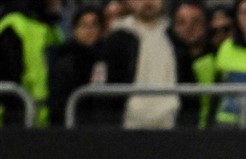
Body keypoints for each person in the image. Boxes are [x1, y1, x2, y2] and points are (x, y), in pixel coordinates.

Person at [92, 0, 198, 128]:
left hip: (171, 128)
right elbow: (102, 92)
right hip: (127, 128)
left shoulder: (176, 41)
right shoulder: (115, 41)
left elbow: (189, 91)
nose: (148, 2)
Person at [0, 0, 64, 127]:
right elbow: (9, 79)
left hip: (46, 121)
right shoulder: (14, 26)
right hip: (17, 122)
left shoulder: (52, 29)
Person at [47, 4, 102, 127]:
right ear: (74, 30)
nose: (89, 30)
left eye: (94, 25)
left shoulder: (105, 59)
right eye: (84, 25)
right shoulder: (64, 61)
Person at [170, 0, 214, 127]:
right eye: (181, 22)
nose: (189, 28)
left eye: (196, 22)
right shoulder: (167, 60)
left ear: (206, 25)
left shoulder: (218, 59)